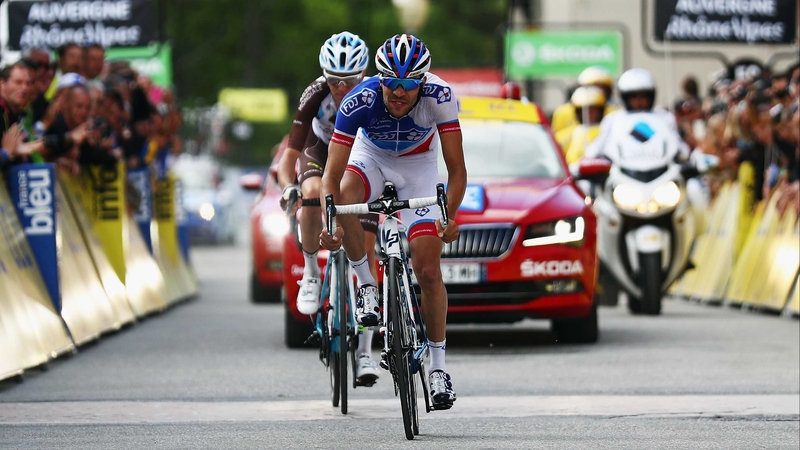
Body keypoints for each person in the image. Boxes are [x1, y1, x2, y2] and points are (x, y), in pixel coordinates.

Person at [319, 34, 466, 409]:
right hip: (373, 157)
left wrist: (450, 216)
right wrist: (330, 219)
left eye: (410, 84)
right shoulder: (359, 101)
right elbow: (330, 179)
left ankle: (437, 368)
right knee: (348, 195)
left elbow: (457, 170)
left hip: (419, 166)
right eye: (392, 83)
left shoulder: (441, 97)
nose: (399, 92)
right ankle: (366, 284)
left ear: (423, 82)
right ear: (379, 78)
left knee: (429, 270)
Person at [276, 31, 381, 385]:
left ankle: (366, 352)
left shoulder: (374, 94)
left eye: (349, 80)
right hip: (319, 151)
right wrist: (287, 187)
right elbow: (288, 157)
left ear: (362, 74)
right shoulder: (316, 94)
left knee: (366, 251)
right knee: (310, 190)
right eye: (334, 80)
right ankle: (310, 272)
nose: (340, 87)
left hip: (357, 158)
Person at [585, 68, 688, 161]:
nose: (638, 101)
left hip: (660, 171)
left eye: (643, 96)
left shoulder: (664, 117)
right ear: (625, 97)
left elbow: (680, 147)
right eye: (633, 97)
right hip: (621, 173)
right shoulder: (613, 119)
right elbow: (594, 150)